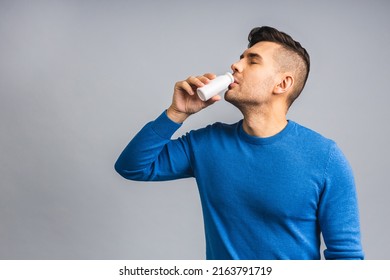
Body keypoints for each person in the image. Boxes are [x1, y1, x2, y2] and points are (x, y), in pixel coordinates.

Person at [115, 26, 364, 260]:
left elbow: (346, 257)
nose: (235, 65)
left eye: (252, 60)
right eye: (241, 57)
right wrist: (176, 113)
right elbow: (133, 167)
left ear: (283, 84)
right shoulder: (206, 144)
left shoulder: (325, 158)